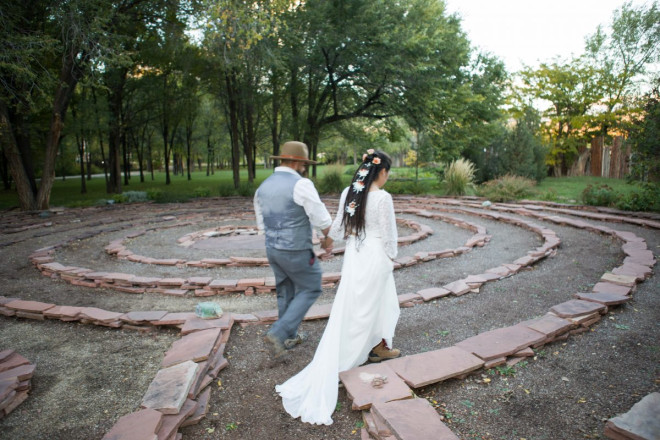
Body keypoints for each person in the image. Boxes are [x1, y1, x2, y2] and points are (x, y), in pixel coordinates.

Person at [275, 149, 401, 425]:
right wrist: (391, 258)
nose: (387, 177)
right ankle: (357, 353)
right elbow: (389, 234)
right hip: (376, 255)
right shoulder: (382, 197)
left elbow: (340, 230)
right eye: (387, 172)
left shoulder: (349, 193)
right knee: (373, 304)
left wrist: (326, 240)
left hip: (356, 256)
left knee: (360, 306)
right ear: (381, 172)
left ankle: (379, 345)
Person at [254, 141, 334, 358]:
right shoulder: (301, 184)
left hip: (273, 248)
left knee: (285, 290)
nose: (304, 167)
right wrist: (328, 236)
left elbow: (261, 224)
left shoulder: (263, 186)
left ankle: (289, 336)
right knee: (312, 286)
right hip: (296, 249)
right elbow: (321, 217)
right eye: (304, 163)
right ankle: (280, 332)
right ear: (298, 161)